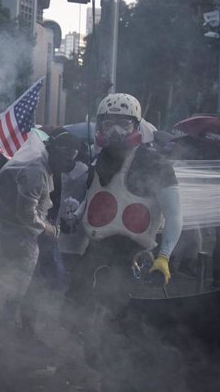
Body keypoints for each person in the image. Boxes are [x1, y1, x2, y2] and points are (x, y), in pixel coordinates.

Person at [65, 93, 183, 390]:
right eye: (108, 122)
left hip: (130, 258)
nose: (115, 130)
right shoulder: (99, 159)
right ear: (99, 126)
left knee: (123, 327)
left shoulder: (154, 164)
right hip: (95, 254)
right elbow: (94, 197)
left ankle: (119, 380)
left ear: (136, 126)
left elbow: (174, 215)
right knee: (78, 316)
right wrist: (74, 214)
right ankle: (100, 372)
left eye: (123, 123)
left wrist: (164, 257)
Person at [0, 127, 81, 331]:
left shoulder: (45, 166)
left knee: (28, 280)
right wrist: (48, 229)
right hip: (16, 230)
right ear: (56, 152)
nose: (69, 164)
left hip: (22, 229)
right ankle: (7, 327)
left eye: (72, 159)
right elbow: (26, 214)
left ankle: (13, 325)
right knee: (24, 280)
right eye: (67, 158)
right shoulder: (36, 172)